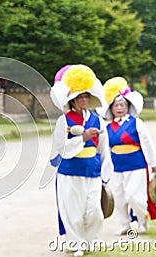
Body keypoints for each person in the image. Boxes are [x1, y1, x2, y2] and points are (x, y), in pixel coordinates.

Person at [49, 64, 113, 257]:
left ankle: (90, 240)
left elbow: (103, 148)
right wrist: (82, 138)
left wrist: (106, 171)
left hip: (92, 171)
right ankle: (76, 243)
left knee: (94, 210)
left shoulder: (98, 120)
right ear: (72, 101)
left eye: (86, 96)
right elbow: (60, 149)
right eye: (80, 97)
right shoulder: (64, 121)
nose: (84, 100)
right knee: (73, 211)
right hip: (70, 172)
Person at [100, 76, 156, 235]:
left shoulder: (136, 123)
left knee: (136, 197)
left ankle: (142, 220)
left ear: (127, 107)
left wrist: (154, 165)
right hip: (116, 166)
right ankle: (124, 225)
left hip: (136, 164)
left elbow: (147, 144)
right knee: (119, 198)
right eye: (116, 105)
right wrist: (103, 171)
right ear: (111, 108)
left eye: (122, 105)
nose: (119, 108)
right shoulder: (107, 128)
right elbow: (105, 150)